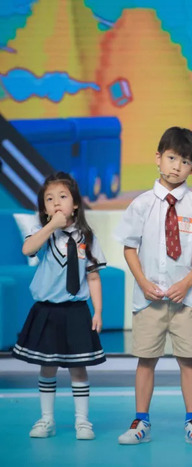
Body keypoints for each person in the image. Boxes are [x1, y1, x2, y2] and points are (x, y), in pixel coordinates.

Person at [114, 127, 192, 445]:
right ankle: (141, 420)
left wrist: (186, 283)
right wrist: (143, 282)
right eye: (172, 158)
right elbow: (129, 248)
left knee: (188, 360)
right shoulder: (141, 204)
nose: (177, 167)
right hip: (148, 300)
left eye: (186, 161)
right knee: (145, 359)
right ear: (158, 158)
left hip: (187, 301)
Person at [12, 172, 107, 440]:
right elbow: (27, 249)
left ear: (75, 204)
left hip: (76, 310)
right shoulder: (42, 234)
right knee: (47, 365)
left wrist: (98, 311)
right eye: (49, 199)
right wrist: (51, 225)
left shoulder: (87, 237)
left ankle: (82, 421)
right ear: (43, 208)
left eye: (62, 197)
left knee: (78, 367)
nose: (56, 202)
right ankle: (46, 419)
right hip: (47, 310)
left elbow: (93, 277)